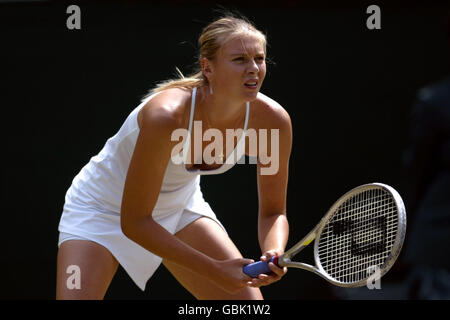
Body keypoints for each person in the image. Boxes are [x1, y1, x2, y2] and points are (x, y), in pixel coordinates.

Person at [56, 14, 292, 300]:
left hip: (180, 206)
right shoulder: (166, 116)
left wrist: (274, 250)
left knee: (247, 304)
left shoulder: (273, 121)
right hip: (101, 209)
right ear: (208, 68)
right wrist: (216, 270)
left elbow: (273, 212)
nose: (253, 68)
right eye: (240, 60)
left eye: (259, 58)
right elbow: (135, 222)